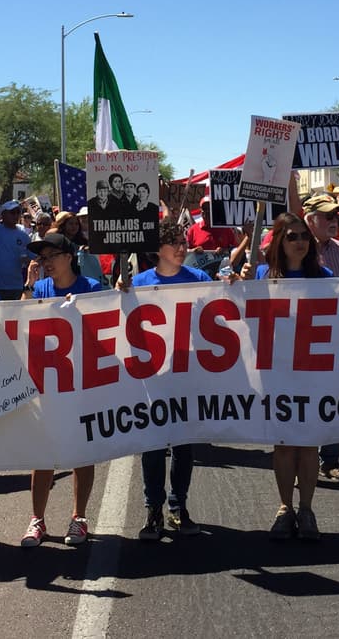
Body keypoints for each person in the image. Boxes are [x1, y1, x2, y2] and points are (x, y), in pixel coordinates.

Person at [241, 212, 336, 541]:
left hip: (312, 372)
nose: (300, 242)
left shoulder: (323, 277)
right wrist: (239, 284)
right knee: (283, 444)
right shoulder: (262, 275)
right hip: (275, 371)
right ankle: (285, 508)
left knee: (308, 444)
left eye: (304, 237)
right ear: (279, 241)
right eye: (293, 236)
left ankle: (306, 508)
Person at [127, 219, 213, 541]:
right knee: (152, 446)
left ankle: (179, 507)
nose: (182, 247)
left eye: (183, 241)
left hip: (188, 375)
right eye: (174, 242)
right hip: (153, 377)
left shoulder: (200, 279)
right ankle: (153, 510)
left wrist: (233, 283)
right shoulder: (139, 282)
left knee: (183, 445)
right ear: (157, 250)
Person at [20, 232, 105, 548]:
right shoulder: (40, 288)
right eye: (42, 258)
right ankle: (37, 519)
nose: (45, 263)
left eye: (51, 256)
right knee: (43, 453)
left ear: (69, 257)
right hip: (48, 385)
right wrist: (29, 285)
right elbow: (20, 320)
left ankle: (79, 517)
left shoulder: (92, 289)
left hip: (81, 383)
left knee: (82, 451)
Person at [299, 193, 339, 484]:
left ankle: (330, 460)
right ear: (310, 221)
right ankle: (301, 460)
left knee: (335, 398)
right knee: (304, 400)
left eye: (336, 216)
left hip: (336, 335)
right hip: (302, 338)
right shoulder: (294, 250)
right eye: (327, 217)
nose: (334, 221)